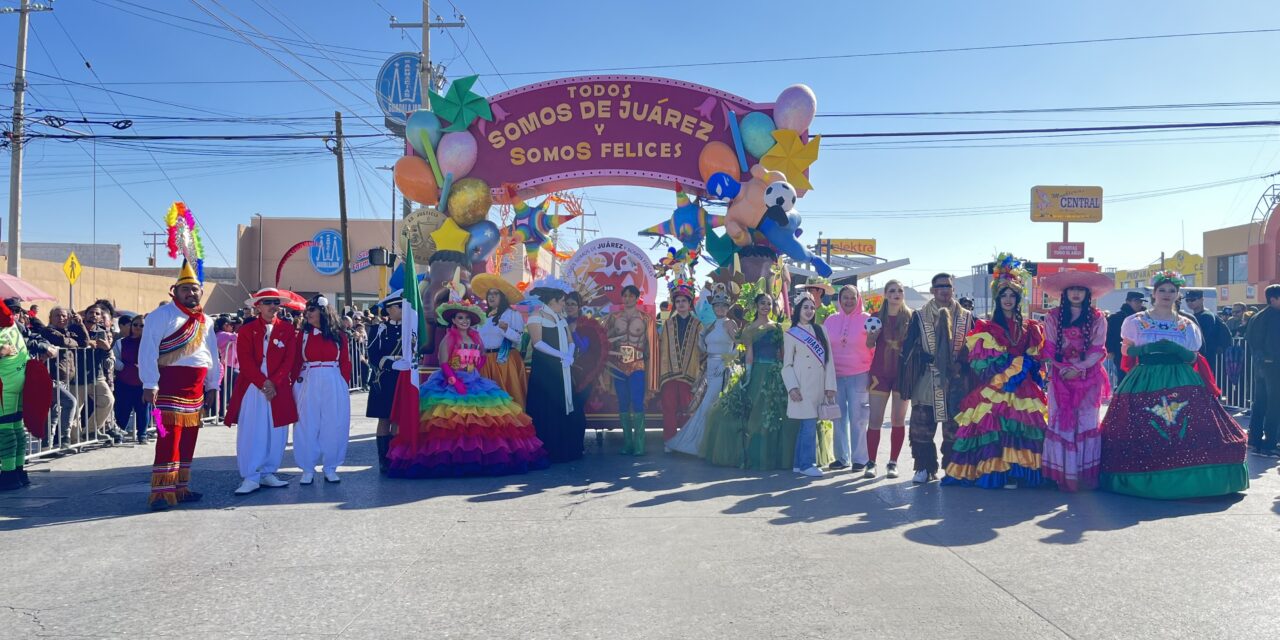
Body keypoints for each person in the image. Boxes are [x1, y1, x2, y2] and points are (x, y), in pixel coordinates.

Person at [1100, 271, 1249, 499]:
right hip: (1145, 378)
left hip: (1182, 380)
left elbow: (1193, 357)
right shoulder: (1136, 322)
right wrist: (1146, 349)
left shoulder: (1187, 324)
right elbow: (1126, 351)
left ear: (1178, 294)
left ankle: (1198, 478)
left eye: (1171, 291)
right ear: (1154, 294)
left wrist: (1178, 350)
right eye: (1162, 290)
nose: (1166, 295)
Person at [386, 293, 548, 476]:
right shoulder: (449, 338)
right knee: (449, 423)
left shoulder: (476, 338)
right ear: (453, 319)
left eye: (467, 318)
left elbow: (482, 357)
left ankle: (481, 457)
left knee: (484, 422)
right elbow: (444, 363)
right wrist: (454, 380)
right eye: (460, 317)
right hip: (451, 383)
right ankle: (448, 459)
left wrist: (475, 368)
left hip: (474, 381)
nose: (464, 321)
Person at [944, 255, 1049, 488]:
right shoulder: (987, 328)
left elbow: (1036, 356)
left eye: (1012, 295)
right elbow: (983, 363)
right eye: (1004, 295)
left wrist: (1026, 362)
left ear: (1019, 298)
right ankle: (997, 471)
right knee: (995, 427)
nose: (1008, 299)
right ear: (997, 298)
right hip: (996, 386)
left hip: (1023, 389)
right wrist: (1017, 363)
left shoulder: (1031, 327)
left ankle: (1018, 471)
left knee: (1022, 428)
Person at [138, 262, 222, 510]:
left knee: (188, 439)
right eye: (185, 289)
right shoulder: (160, 316)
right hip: (168, 386)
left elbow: (212, 354)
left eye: (194, 289)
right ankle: (161, 492)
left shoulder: (206, 320)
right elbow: (148, 350)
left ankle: (180, 488)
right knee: (167, 438)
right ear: (174, 291)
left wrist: (212, 385)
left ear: (201, 292)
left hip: (196, 389)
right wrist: (149, 383)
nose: (191, 293)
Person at [1040, 271, 1113, 491]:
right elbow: (1050, 347)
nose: (1076, 293)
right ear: (1065, 292)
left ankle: (1083, 475)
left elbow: (1098, 349)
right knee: (1060, 420)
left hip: (1089, 378)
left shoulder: (1098, 317)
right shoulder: (1052, 317)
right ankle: (1062, 474)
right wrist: (1065, 370)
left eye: (1080, 289)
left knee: (1087, 421)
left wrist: (1078, 369)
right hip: (1060, 378)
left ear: (1087, 293)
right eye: (1072, 289)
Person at [899, 272, 975, 483]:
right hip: (927, 377)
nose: (944, 290)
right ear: (932, 290)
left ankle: (953, 468)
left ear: (953, 289)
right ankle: (924, 467)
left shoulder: (966, 317)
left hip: (957, 379)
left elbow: (976, 347)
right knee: (921, 425)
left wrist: (962, 363)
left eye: (948, 286)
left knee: (954, 427)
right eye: (940, 286)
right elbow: (908, 348)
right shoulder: (919, 316)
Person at [224, 288, 299, 496]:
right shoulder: (247, 330)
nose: (273, 306)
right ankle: (251, 475)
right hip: (253, 387)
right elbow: (245, 360)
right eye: (268, 302)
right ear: (258, 306)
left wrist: (274, 382)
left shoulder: (287, 328)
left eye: (276, 302)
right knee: (253, 430)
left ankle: (269, 472)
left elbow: (289, 360)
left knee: (277, 432)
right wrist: (263, 383)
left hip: (278, 387)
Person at [702, 293, 787, 468]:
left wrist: (784, 371)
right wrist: (747, 375)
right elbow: (749, 354)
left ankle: (772, 454)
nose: (766, 306)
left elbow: (782, 353)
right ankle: (751, 454)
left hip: (774, 373)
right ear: (756, 306)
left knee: (772, 414)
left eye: (769, 303)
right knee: (751, 412)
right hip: (756, 372)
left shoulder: (778, 327)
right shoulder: (749, 329)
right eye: (762, 303)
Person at [667, 289, 737, 456]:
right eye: (717, 306)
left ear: (728, 308)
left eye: (723, 306)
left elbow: (739, 347)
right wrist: (701, 338)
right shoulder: (711, 325)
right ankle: (702, 442)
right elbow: (704, 347)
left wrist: (726, 362)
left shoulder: (730, 324)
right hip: (710, 367)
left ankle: (702, 444)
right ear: (713, 308)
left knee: (708, 405)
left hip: (722, 368)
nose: (720, 309)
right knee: (707, 404)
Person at [292, 295, 352, 484]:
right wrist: (293, 383)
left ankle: (330, 467)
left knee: (333, 424)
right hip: (309, 378)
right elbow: (296, 361)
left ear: (323, 312)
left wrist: (343, 383)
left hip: (333, 379)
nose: (307, 314)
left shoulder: (339, 335)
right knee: (306, 424)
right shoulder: (303, 335)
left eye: (312, 310)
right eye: (306, 311)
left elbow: (345, 362)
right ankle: (307, 468)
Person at [782, 294, 837, 478]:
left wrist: (830, 386)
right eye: (805, 307)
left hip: (818, 386)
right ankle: (807, 464)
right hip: (802, 386)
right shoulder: (791, 334)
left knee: (807, 424)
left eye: (812, 308)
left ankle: (799, 463)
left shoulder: (821, 330)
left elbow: (829, 361)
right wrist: (792, 387)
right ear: (798, 310)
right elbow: (787, 365)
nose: (809, 311)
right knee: (808, 424)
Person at [524, 279, 579, 463]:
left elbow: (570, 340)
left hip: (561, 370)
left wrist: (569, 354)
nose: (564, 304)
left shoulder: (561, 319)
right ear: (553, 301)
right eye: (562, 301)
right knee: (544, 407)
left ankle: (563, 450)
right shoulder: (535, 316)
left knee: (561, 407)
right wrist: (561, 355)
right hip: (544, 371)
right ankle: (547, 450)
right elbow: (537, 342)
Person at [823, 284, 873, 473]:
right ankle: (841, 458)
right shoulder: (830, 320)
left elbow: (874, 348)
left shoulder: (867, 319)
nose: (849, 301)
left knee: (859, 417)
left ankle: (860, 459)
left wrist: (873, 376)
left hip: (859, 374)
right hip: (835, 376)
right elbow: (824, 347)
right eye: (845, 297)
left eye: (853, 297)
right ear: (839, 299)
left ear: (858, 298)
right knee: (838, 417)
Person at [865, 280, 912, 479]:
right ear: (885, 294)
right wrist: (873, 335)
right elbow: (868, 345)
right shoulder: (876, 317)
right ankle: (871, 462)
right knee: (874, 420)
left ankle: (893, 462)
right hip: (879, 374)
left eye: (900, 291)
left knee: (898, 420)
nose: (896, 294)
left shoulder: (911, 317)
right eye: (892, 291)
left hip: (902, 375)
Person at [657, 278, 704, 443]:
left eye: (684, 300)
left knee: (688, 409)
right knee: (668, 408)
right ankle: (669, 441)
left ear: (690, 303)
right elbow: (662, 349)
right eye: (677, 301)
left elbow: (702, 349)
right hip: (669, 373)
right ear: (674, 304)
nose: (681, 304)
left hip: (690, 373)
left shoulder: (698, 325)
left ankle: (686, 442)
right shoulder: (667, 324)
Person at [471, 273, 528, 407]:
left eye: (495, 293)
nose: (491, 296)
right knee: (488, 401)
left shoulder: (513, 314)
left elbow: (519, 339)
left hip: (505, 360)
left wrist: (507, 329)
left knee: (507, 398)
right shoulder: (483, 316)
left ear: (503, 297)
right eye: (489, 293)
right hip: (485, 361)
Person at [608, 285, 651, 455]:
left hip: (638, 364)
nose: (627, 298)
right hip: (618, 365)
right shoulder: (614, 318)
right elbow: (605, 339)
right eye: (624, 295)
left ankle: (639, 444)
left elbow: (652, 345)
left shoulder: (645, 318)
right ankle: (627, 443)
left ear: (636, 298)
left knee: (637, 401)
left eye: (631, 296)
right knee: (623, 402)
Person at [365, 291, 403, 473]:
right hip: (385, 378)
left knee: (398, 418)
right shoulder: (380, 329)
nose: (404, 310)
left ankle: (395, 456)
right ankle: (383, 460)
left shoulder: (409, 328)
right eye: (400, 307)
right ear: (389, 309)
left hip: (401, 378)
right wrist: (391, 363)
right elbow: (372, 355)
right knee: (384, 418)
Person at [566, 290, 608, 450]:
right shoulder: (560, 322)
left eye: (573, 304)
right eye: (567, 304)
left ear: (579, 307)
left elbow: (585, 348)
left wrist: (573, 331)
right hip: (565, 373)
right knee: (567, 409)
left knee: (577, 408)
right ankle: (568, 443)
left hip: (585, 374)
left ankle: (577, 445)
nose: (570, 307)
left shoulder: (588, 325)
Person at [73, 304, 120, 444]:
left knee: (108, 401)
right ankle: (75, 440)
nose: (94, 315)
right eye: (91, 312)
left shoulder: (102, 332)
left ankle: (91, 430)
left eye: (97, 313)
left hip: (97, 374)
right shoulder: (74, 329)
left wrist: (107, 349)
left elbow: (108, 356)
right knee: (76, 409)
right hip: (77, 376)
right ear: (85, 315)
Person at [1245, 284, 1280, 456]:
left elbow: (1249, 338)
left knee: (1259, 403)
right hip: (1274, 366)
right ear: (1273, 299)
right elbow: (1275, 344)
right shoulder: (1275, 316)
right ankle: (1270, 443)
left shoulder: (1256, 316)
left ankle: (1254, 441)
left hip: (1260, 366)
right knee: (1274, 404)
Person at [39, 307, 82, 447]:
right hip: (50, 378)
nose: (61, 318)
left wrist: (80, 324)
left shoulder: (69, 332)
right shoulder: (47, 331)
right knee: (70, 402)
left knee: (54, 412)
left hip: (64, 379)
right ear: (50, 318)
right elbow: (64, 342)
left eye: (64, 316)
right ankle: (64, 438)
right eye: (57, 315)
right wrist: (73, 342)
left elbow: (84, 342)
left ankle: (47, 445)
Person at [113, 314, 151, 444]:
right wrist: (122, 366)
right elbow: (114, 358)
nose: (138, 327)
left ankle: (143, 435)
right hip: (124, 381)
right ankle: (120, 435)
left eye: (142, 325)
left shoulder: (150, 343)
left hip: (143, 382)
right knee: (123, 409)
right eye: (135, 324)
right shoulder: (120, 342)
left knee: (143, 409)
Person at [1106, 291, 1146, 386]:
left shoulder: (1146, 317)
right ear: (1128, 301)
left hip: (1142, 352)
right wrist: (1110, 350)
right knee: (1124, 378)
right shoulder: (1117, 317)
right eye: (1136, 301)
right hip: (1121, 353)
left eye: (1141, 301)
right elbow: (1109, 335)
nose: (1139, 303)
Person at [1184, 289, 1229, 363]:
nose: (1189, 302)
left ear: (1202, 300)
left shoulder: (1207, 316)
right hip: (1199, 355)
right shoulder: (1195, 316)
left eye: (1192, 299)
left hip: (1205, 355)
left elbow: (1204, 337)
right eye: (1187, 300)